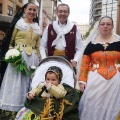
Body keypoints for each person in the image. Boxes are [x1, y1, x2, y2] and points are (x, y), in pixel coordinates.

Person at [0, 2, 41, 119]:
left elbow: (38, 46)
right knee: (16, 81)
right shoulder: (18, 23)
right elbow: (10, 41)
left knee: (29, 82)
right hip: (18, 56)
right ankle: (12, 109)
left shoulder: (37, 27)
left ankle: (26, 107)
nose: (32, 12)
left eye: (34, 10)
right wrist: (13, 54)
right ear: (24, 10)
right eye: (30, 9)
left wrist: (39, 60)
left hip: (32, 58)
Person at [78, 16, 120, 120]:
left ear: (112, 26)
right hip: (95, 80)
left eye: (108, 24)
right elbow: (85, 63)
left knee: (112, 105)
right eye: (103, 24)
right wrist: (82, 80)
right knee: (93, 103)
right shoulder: (91, 44)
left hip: (115, 81)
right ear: (99, 26)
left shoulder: (119, 42)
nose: (105, 26)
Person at [15, 66, 80, 120]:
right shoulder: (42, 85)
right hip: (40, 104)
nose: (50, 82)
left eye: (53, 80)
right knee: (29, 112)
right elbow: (36, 89)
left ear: (59, 80)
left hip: (53, 106)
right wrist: (31, 93)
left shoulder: (60, 87)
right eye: (48, 79)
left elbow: (60, 94)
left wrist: (50, 87)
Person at [40, 3, 83, 68]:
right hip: (51, 61)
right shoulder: (50, 27)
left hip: (68, 63)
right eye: (60, 11)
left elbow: (80, 48)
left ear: (68, 13)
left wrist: (75, 60)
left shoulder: (75, 28)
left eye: (65, 11)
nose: (62, 13)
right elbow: (42, 46)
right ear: (57, 13)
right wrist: (44, 59)